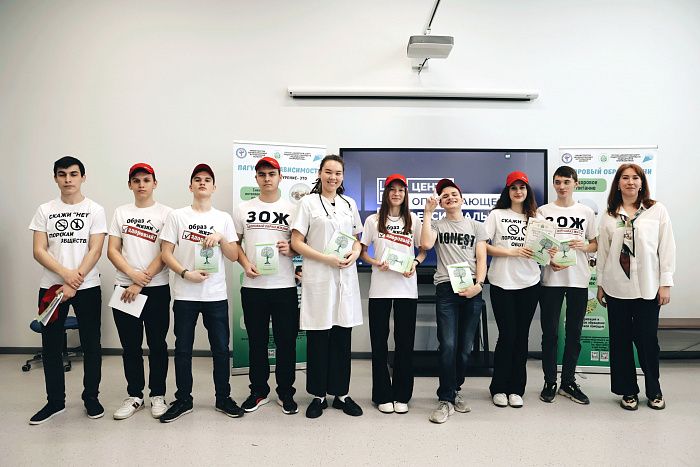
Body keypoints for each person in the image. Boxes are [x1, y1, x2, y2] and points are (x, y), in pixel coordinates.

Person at [159, 163, 244, 422]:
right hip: (185, 294)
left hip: (215, 295)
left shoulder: (223, 218)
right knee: (183, 349)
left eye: (207, 179)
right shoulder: (177, 216)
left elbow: (233, 256)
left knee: (221, 350)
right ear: (191, 186)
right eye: (197, 179)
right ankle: (184, 399)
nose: (202, 183)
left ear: (214, 187)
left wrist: (221, 237)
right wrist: (186, 273)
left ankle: (223, 398)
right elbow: (166, 253)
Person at [28, 156, 107, 425]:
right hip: (52, 288)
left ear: (83, 177)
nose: (68, 179)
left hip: (88, 286)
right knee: (51, 345)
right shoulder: (44, 210)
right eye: (62, 174)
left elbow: (95, 249)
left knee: (92, 344)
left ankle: (91, 398)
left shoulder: (95, 209)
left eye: (73, 174)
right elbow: (39, 250)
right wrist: (66, 276)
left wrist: (75, 280)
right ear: (55, 178)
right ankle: (55, 402)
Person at [596, 163, 675, 410]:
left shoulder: (656, 210)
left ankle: (654, 390)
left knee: (647, 341)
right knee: (620, 342)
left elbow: (667, 248)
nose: (630, 182)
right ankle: (627, 390)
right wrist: (600, 284)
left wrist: (665, 283)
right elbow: (603, 252)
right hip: (616, 287)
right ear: (618, 184)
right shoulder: (609, 215)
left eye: (635, 178)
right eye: (625, 178)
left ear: (642, 183)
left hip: (648, 288)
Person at [290, 155, 364, 419]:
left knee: (342, 337)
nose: (333, 177)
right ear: (320, 173)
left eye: (338, 173)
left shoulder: (349, 203)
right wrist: (326, 258)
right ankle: (318, 396)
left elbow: (356, 240)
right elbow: (296, 242)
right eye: (329, 172)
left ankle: (341, 394)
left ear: (342, 177)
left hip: (345, 276)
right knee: (319, 338)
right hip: (320, 276)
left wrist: (356, 253)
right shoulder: (308, 203)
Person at [234, 157, 300, 415]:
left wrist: (291, 249)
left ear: (280, 176)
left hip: (284, 286)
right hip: (253, 287)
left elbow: (301, 245)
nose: (267, 178)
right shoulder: (243, 208)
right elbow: (235, 243)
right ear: (256, 179)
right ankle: (258, 391)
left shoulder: (294, 209)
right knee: (257, 343)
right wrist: (244, 263)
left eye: (271, 173)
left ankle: (286, 392)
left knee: (286, 343)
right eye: (262, 174)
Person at [107, 163, 172, 420]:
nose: (141, 184)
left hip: (156, 288)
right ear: (130, 185)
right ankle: (134, 395)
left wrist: (139, 282)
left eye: (146, 179)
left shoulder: (166, 213)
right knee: (130, 345)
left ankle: (158, 395)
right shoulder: (121, 212)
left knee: (157, 344)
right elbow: (112, 250)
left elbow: (166, 253)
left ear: (155, 183)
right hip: (124, 289)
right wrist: (131, 276)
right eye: (136, 180)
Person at [421, 178, 488, 423]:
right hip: (446, 288)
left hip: (472, 287)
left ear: (461, 198)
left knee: (465, 349)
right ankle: (446, 398)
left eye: (453, 194)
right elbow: (425, 243)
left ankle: (455, 389)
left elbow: (482, 258)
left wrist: (478, 285)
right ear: (441, 202)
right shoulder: (437, 225)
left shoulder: (476, 226)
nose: (450, 198)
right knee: (448, 345)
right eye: (445, 196)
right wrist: (428, 213)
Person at [360, 174, 426, 415]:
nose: (397, 193)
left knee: (404, 343)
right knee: (379, 343)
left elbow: (423, 251)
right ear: (386, 193)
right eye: (392, 189)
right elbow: (362, 252)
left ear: (405, 194)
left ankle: (402, 394)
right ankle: (381, 395)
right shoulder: (373, 220)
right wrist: (375, 262)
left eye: (401, 190)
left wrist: (415, 263)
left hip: (406, 289)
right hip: (380, 289)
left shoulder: (414, 219)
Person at [537, 166, 598, 404]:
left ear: (575, 183)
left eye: (566, 182)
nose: (562, 186)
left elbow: (595, 244)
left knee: (574, 333)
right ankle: (550, 381)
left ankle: (568, 382)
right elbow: (537, 246)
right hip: (550, 280)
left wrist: (585, 246)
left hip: (578, 280)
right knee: (550, 333)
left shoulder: (586, 212)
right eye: (558, 182)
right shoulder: (543, 211)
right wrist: (548, 260)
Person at [485, 171, 540, 408]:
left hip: (530, 283)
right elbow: (483, 246)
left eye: (522, 187)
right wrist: (511, 252)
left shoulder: (536, 217)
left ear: (528, 191)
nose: (518, 191)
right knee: (507, 335)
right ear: (507, 191)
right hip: (502, 282)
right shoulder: (496, 215)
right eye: (514, 188)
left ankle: (517, 389)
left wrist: (550, 254)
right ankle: (498, 387)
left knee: (522, 336)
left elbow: (544, 250)